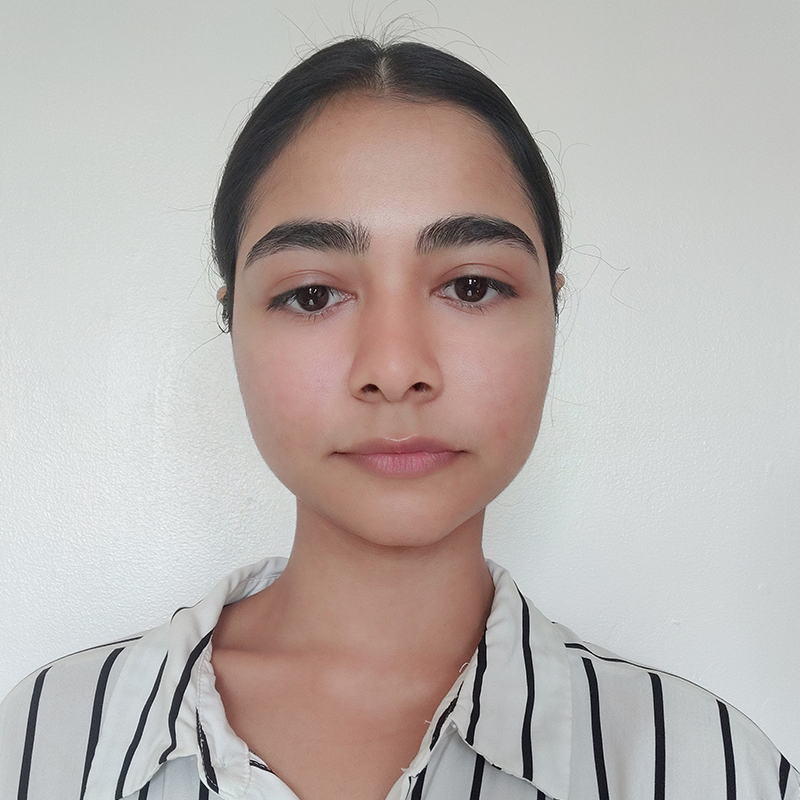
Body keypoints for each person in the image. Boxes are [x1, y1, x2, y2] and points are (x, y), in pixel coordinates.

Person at [0, 36, 796, 800]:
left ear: (554, 311)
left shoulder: (719, 768)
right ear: (233, 320)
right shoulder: (43, 742)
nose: (394, 369)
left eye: (473, 287)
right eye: (312, 294)